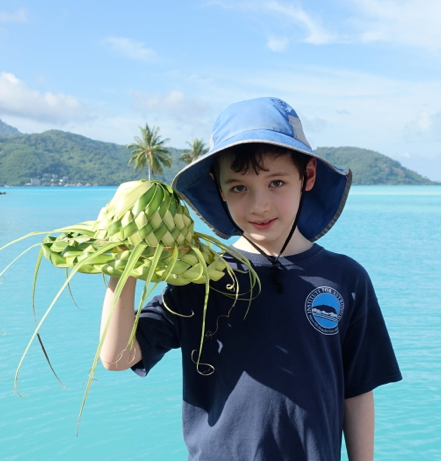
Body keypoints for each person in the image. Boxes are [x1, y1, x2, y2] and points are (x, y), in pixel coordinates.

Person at [100, 97, 401, 460]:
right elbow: (117, 357)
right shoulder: (201, 275)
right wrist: (123, 265)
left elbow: (357, 391)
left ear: (307, 176)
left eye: (276, 182)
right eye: (239, 187)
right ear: (218, 187)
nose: (259, 205)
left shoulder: (346, 278)